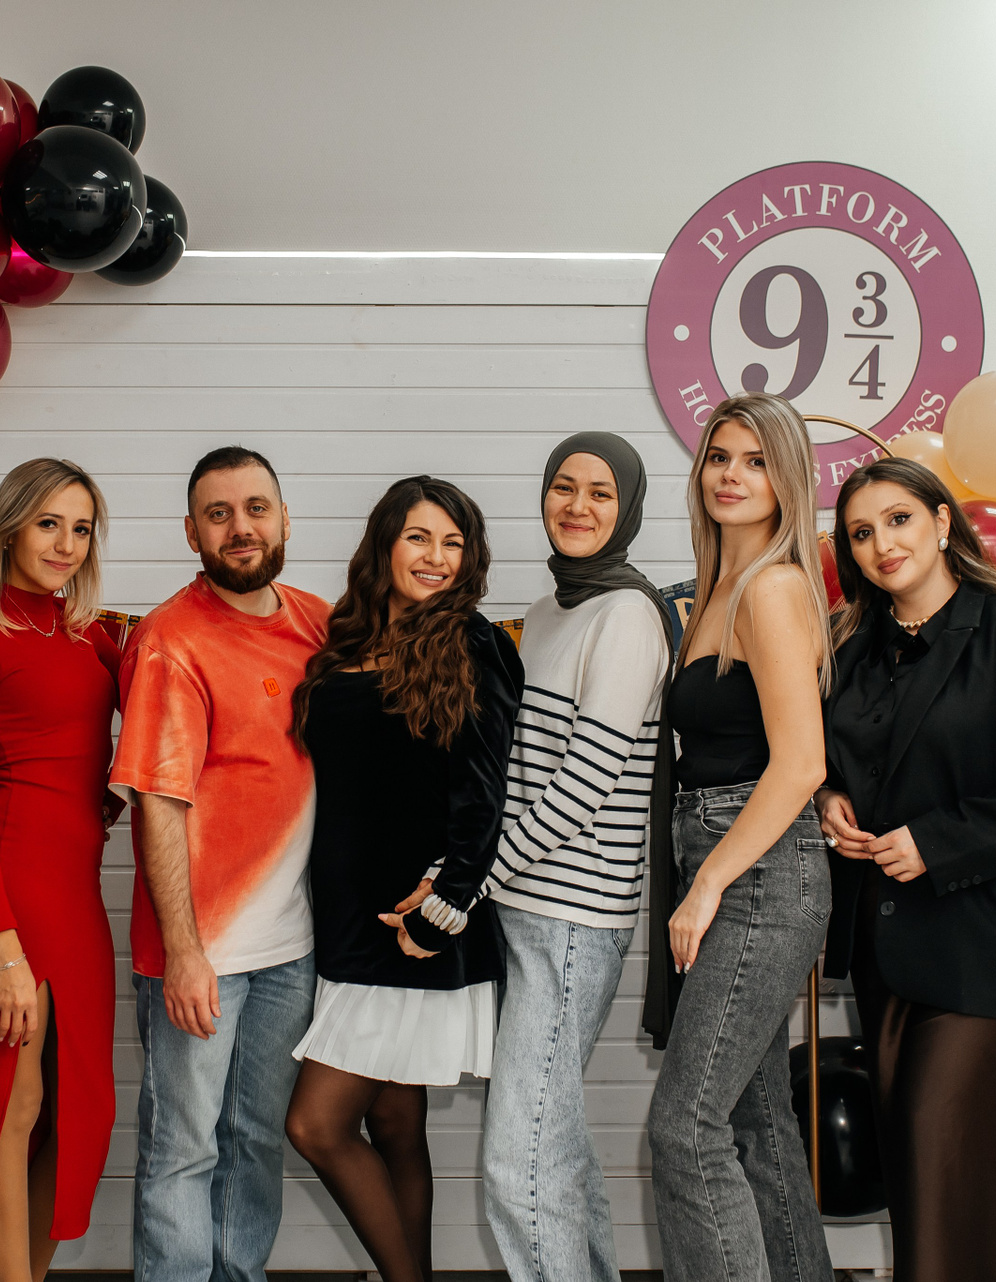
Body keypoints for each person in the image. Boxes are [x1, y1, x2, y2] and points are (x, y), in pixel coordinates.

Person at [817, 457, 996, 1282]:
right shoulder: (851, 650)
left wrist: (937, 843)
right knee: (932, 1177)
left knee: (948, 1157)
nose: (882, 544)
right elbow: (840, 764)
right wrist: (829, 801)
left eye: (899, 519)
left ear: (943, 523)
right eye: (861, 533)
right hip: (894, 951)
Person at [283, 476, 522, 1282]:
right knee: (392, 1125)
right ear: (385, 542)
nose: (436, 557)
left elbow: (486, 792)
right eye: (420, 537)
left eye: (454, 543)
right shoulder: (342, 643)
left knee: (316, 1127)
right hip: (347, 919)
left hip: (407, 926)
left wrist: (444, 906)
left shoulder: (473, 642)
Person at [452, 433, 677, 1282]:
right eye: (564, 487)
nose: (577, 506)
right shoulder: (549, 611)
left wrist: (470, 884)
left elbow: (584, 784)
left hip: (572, 919)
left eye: (601, 492)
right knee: (557, 1150)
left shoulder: (627, 616)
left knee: (520, 1162)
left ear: (629, 508)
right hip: (522, 903)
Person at [110, 446, 331, 1282]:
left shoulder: (317, 623)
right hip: (202, 956)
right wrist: (184, 952)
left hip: (290, 951)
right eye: (219, 514)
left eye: (256, 508)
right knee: (183, 1149)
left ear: (284, 518)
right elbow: (159, 806)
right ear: (192, 533)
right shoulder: (171, 642)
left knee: (255, 1139)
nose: (241, 528)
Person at [643, 392, 834, 1282]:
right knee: (758, 1122)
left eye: (756, 462)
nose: (732, 476)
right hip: (728, 855)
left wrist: (709, 883)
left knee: (685, 1129)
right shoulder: (717, 587)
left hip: (759, 872)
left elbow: (801, 764)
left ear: (787, 479)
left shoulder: (774, 588)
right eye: (720, 457)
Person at [0, 458, 123, 1281]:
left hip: (77, 894)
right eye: (49, 523)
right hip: (10, 886)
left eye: (80, 528)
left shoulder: (93, 637)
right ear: (10, 527)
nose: (65, 544)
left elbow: (151, 729)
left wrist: (111, 797)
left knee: (84, 1112)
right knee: (16, 1103)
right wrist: (2, 945)